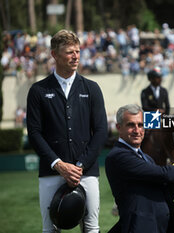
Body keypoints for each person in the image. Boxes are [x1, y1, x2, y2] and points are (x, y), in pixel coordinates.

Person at [26, 29, 108, 233]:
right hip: (50, 172)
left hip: (86, 173)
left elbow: (100, 131)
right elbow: (35, 133)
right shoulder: (38, 90)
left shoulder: (92, 88)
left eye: (78, 51)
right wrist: (59, 164)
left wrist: (79, 166)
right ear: (54, 54)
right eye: (70, 52)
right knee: (50, 229)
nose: (76, 56)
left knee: (91, 229)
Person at [105, 104, 174, 233]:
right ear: (118, 128)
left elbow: (166, 194)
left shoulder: (147, 159)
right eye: (131, 125)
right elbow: (163, 174)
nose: (137, 130)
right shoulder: (119, 155)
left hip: (160, 223)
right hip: (141, 226)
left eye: (140, 125)